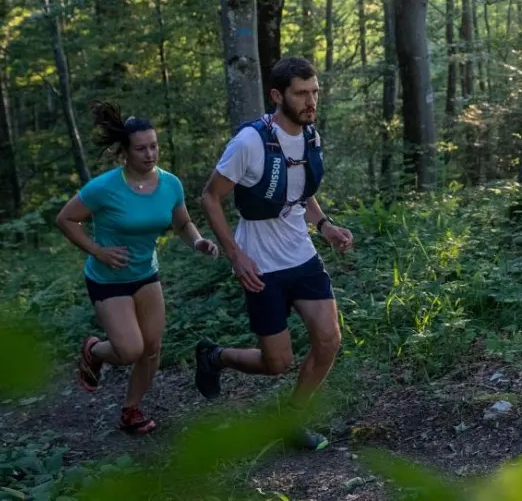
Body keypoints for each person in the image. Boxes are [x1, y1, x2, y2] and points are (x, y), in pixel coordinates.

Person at [195, 56, 353, 451]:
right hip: (260, 263)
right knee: (276, 363)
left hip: (301, 255)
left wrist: (325, 226)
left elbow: (302, 191)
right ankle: (215, 357)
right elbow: (210, 197)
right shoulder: (249, 141)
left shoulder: (311, 136)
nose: (311, 101)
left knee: (329, 340)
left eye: (314, 91)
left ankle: (293, 419)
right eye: (301, 93)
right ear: (277, 95)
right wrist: (235, 254)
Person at [55, 101, 218, 434]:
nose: (150, 154)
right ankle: (94, 350)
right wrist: (98, 251)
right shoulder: (104, 188)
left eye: (154, 146)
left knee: (152, 348)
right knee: (130, 349)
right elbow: (66, 219)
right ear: (125, 153)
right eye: (141, 148)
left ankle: (131, 410)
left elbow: (183, 222)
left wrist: (198, 241)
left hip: (146, 275)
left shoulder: (170, 184)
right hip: (108, 279)